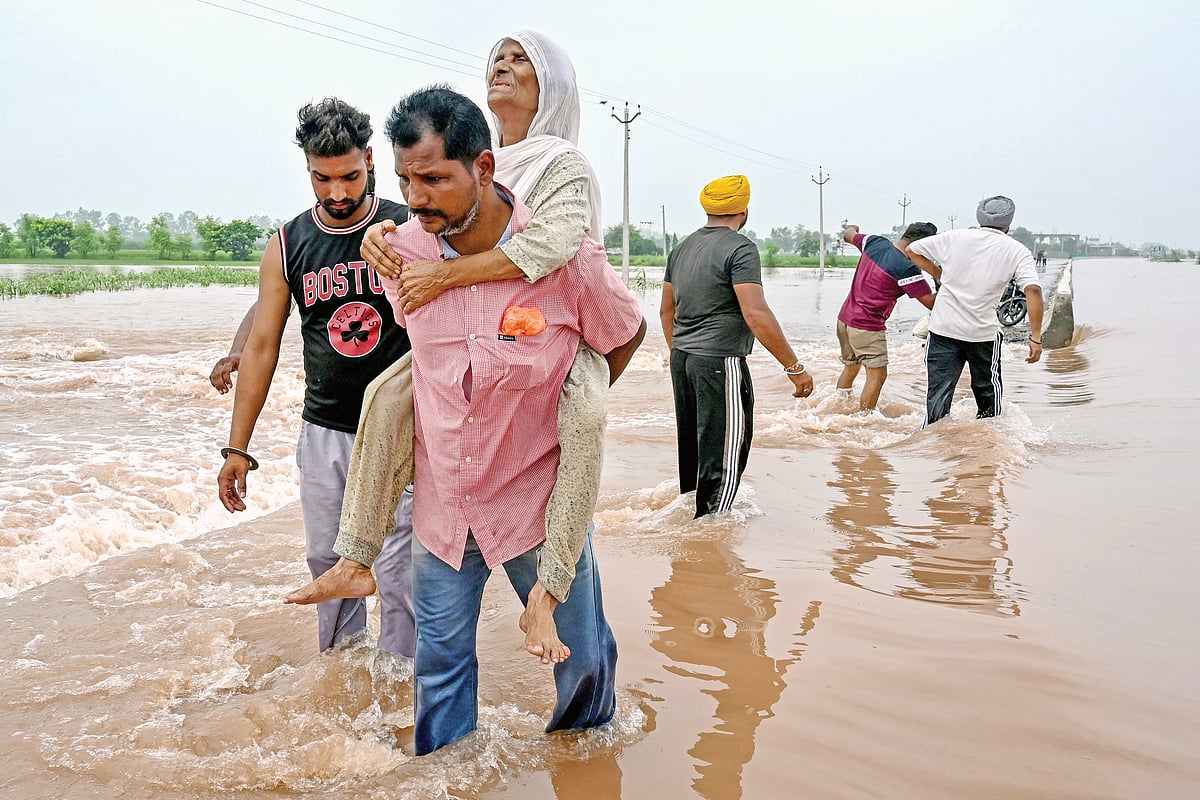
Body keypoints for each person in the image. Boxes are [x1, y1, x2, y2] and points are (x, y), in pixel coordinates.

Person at [285, 30, 610, 666]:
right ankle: (355, 556)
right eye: (498, 58)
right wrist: (385, 239)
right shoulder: (467, 167)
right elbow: (426, 226)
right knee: (385, 393)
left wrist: (445, 275)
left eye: (523, 61)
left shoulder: (561, 163)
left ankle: (551, 590)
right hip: (463, 352)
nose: (505, 69)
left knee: (585, 419)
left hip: (551, 335)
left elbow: (549, 250)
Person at [380, 85, 645, 755]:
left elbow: (625, 332)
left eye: (435, 178)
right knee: (438, 673)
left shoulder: (566, 262)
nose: (417, 198)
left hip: (534, 502)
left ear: (485, 168)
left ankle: (583, 770)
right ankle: (448, 778)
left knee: (581, 660)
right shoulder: (402, 254)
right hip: (445, 508)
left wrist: (573, 400)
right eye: (406, 180)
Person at [215, 98, 415, 657]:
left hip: (405, 429)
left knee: (403, 572)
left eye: (350, 176)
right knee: (329, 564)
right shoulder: (289, 243)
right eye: (322, 179)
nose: (337, 193)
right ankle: (344, 681)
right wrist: (238, 448)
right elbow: (262, 345)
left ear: (371, 160)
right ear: (306, 168)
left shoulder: (406, 226)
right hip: (326, 430)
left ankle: (403, 681)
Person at [660, 175, 814, 518]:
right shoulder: (740, 248)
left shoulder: (682, 247)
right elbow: (756, 314)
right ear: (743, 210)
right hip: (718, 360)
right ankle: (710, 537)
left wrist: (680, 350)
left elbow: (666, 310)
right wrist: (795, 368)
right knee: (725, 452)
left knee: (696, 446)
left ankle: (692, 524)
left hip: (683, 358)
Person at [906, 195, 1044, 428]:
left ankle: (932, 455)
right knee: (988, 400)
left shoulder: (954, 237)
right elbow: (1032, 290)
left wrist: (938, 274)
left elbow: (912, 250)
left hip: (943, 331)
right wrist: (1036, 337)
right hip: (982, 336)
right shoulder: (1017, 251)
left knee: (937, 400)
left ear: (979, 218)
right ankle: (988, 450)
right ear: (1008, 225)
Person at [835, 222, 938, 411]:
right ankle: (865, 420)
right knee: (877, 376)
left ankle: (838, 407)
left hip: (844, 320)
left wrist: (853, 227)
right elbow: (932, 303)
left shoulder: (874, 242)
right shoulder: (907, 268)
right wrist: (940, 276)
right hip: (867, 327)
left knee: (850, 367)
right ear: (921, 246)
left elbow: (848, 234)